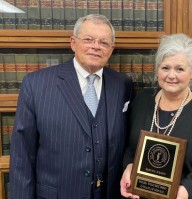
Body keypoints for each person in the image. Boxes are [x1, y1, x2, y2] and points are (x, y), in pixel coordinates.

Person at [9, 14, 132, 199]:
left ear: (111, 49)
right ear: (73, 43)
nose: (96, 46)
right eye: (88, 39)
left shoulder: (123, 85)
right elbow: (22, 157)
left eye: (104, 42)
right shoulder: (36, 84)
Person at [120, 33, 192, 199]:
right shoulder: (141, 102)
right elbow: (131, 149)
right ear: (157, 70)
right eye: (165, 67)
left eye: (180, 69)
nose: (171, 75)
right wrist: (129, 166)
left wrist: (189, 189)